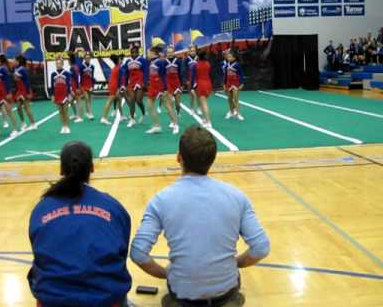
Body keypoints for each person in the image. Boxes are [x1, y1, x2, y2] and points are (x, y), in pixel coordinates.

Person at [130, 126, 270, 307]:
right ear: (212, 159)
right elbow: (261, 248)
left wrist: (167, 274)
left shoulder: (160, 200)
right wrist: (235, 263)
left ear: (179, 157)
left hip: (183, 295)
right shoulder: (237, 196)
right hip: (225, 293)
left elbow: (138, 254)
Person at [28, 141, 132, 307]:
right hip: (104, 299)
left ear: (61, 170)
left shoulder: (40, 210)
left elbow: (38, 252)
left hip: (53, 300)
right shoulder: (112, 206)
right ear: (91, 168)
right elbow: (122, 252)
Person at [120, 44, 148, 128]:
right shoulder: (128, 62)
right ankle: (132, 119)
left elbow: (146, 71)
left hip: (140, 82)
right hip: (131, 83)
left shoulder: (142, 60)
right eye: (132, 52)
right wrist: (123, 84)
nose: (134, 54)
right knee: (132, 100)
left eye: (135, 52)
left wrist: (145, 82)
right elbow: (125, 74)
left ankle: (143, 113)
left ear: (138, 52)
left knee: (139, 100)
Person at [0, 54, 19, 136]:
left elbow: (7, 81)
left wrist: (8, 93)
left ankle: (15, 129)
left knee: (9, 112)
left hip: (4, 93)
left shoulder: (2, 69)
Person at [14, 55, 37, 131]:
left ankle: (33, 124)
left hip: (24, 90)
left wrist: (28, 92)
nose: (14, 62)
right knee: (18, 107)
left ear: (19, 61)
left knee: (27, 108)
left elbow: (27, 81)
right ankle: (23, 123)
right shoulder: (16, 69)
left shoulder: (23, 69)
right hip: (19, 90)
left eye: (15, 61)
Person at [100, 55, 125, 125]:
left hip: (112, 85)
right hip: (114, 86)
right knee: (109, 101)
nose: (121, 60)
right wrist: (119, 88)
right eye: (120, 59)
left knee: (119, 100)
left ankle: (122, 116)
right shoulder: (119, 68)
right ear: (118, 61)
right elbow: (120, 80)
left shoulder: (115, 68)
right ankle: (104, 118)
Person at [50, 58, 73, 134]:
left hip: (65, 94)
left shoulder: (67, 73)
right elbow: (52, 86)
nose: (58, 65)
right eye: (57, 63)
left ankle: (67, 126)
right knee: (60, 111)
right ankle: (63, 126)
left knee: (65, 111)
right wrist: (52, 95)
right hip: (57, 94)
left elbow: (69, 84)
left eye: (60, 63)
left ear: (62, 64)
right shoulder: (53, 74)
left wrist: (69, 94)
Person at [192, 50, 213, 128]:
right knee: (202, 103)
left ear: (198, 56)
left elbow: (193, 76)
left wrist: (192, 86)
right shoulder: (208, 64)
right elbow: (210, 74)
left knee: (204, 104)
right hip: (208, 83)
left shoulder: (195, 65)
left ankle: (208, 121)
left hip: (200, 84)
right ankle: (204, 119)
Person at [222, 49, 245, 121]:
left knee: (236, 99)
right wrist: (224, 84)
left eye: (230, 57)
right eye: (228, 57)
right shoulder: (226, 65)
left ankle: (238, 113)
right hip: (228, 83)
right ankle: (231, 112)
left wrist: (242, 83)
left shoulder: (237, 65)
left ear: (234, 58)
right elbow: (225, 75)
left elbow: (241, 75)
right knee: (229, 99)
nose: (229, 58)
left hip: (235, 83)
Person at [79, 51, 96, 120]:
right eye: (86, 58)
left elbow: (92, 76)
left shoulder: (92, 66)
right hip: (83, 85)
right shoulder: (81, 66)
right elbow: (79, 76)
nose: (88, 59)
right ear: (84, 58)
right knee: (86, 98)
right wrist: (79, 85)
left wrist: (93, 85)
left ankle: (87, 112)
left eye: (89, 58)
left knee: (89, 99)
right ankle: (90, 113)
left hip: (89, 84)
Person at [184, 46, 200, 115]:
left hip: (198, 79)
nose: (193, 52)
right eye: (191, 51)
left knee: (198, 95)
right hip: (190, 79)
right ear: (189, 52)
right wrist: (186, 80)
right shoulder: (186, 59)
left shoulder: (198, 58)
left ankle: (199, 108)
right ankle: (192, 108)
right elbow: (184, 70)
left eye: (194, 51)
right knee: (191, 95)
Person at [69, 52, 84, 123]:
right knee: (71, 100)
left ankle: (80, 117)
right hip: (74, 87)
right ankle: (75, 114)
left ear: (70, 61)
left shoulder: (73, 68)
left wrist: (78, 88)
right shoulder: (73, 67)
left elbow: (78, 77)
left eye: (68, 60)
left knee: (79, 101)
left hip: (76, 87)